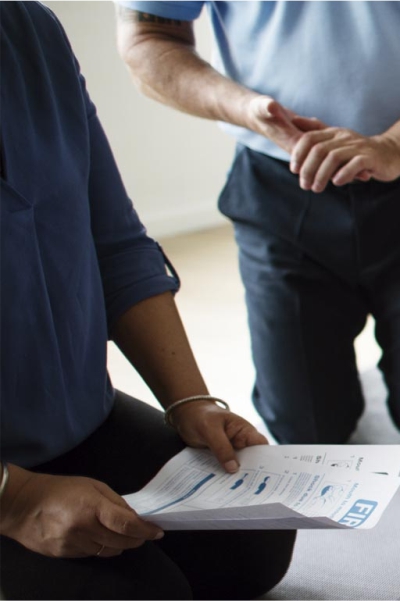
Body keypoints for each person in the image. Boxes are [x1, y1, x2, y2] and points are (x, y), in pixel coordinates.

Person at [115, 0, 400, 445]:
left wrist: (397, 146)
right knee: (305, 433)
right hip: (277, 189)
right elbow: (148, 39)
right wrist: (245, 108)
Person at [0, 3, 294, 598]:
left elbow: (116, 245)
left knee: (255, 542)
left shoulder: (30, 28)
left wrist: (190, 400)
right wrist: (16, 498)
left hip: (80, 418)